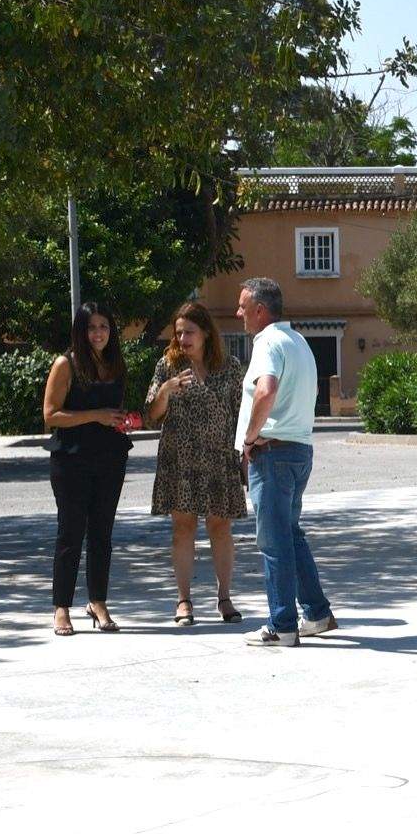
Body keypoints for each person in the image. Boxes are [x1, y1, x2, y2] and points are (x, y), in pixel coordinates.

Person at [234, 277, 337, 648]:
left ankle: (282, 626)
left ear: (260, 310)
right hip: (298, 451)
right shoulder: (298, 341)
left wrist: (248, 438)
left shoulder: (268, 342)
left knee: (274, 542)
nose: (238, 313)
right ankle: (316, 613)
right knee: (291, 535)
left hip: (272, 453)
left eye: (243, 306)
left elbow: (266, 389)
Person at [145, 301, 247, 626]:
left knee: (220, 527)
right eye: (178, 333)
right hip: (181, 459)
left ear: (205, 332)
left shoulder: (229, 367)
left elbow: (241, 413)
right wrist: (165, 391)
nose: (183, 339)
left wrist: (244, 457)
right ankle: (183, 600)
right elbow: (152, 415)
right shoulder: (168, 365)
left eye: (189, 332)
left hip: (219, 459)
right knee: (183, 528)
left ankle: (225, 598)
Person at [42, 302, 136, 637]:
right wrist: (95, 415)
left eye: (104, 327)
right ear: (81, 331)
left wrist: (124, 420)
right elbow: (51, 415)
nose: (98, 333)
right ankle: (61, 608)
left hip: (110, 457)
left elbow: (113, 410)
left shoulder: (115, 363)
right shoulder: (65, 364)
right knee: (70, 534)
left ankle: (98, 602)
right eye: (91, 327)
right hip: (71, 459)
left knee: (102, 535)